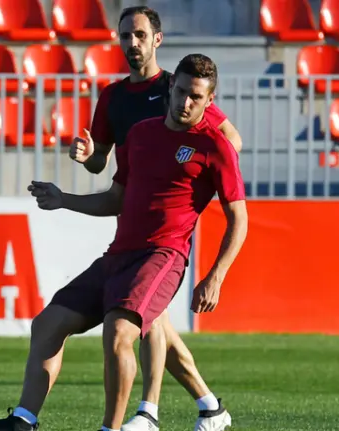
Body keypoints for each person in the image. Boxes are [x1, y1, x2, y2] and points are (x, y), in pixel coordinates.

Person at [0, 53, 246, 431]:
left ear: (209, 101)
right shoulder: (142, 135)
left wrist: (216, 277)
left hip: (163, 255)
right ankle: (23, 422)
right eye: (180, 91)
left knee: (119, 332)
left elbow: (239, 220)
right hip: (118, 255)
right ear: (172, 88)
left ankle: (113, 428)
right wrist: (64, 199)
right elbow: (116, 198)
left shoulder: (214, 146)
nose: (185, 102)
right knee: (47, 323)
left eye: (196, 97)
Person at [70, 6, 242, 431]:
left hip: (167, 233)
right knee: (154, 322)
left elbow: (228, 141)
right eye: (125, 34)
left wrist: (193, 180)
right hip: (130, 231)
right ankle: (209, 406)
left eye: (140, 35)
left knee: (134, 323)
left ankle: (148, 411)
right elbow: (104, 169)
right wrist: (88, 158)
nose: (132, 42)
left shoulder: (173, 84)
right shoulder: (112, 99)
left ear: (156, 40)